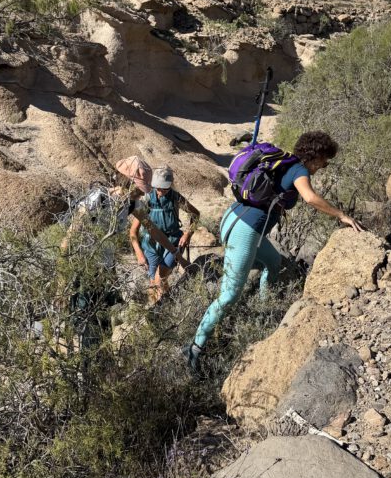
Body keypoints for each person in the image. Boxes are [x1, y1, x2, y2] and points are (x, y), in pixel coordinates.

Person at [182, 131, 362, 370]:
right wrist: (341, 215)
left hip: (234, 217)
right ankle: (194, 348)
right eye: (324, 162)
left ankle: (263, 310)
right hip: (246, 230)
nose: (324, 166)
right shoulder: (299, 169)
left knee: (273, 262)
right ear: (315, 157)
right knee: (229, 295)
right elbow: (309, 197)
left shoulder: (283, 160)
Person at [60, 156, 152, 347]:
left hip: (106, 270)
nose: (141, 194)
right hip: (86, 267)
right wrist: (62, 277)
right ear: (128, 182)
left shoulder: (132, 205)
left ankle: (98, 359)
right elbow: (70, 236)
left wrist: (173, 250)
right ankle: (87, 366)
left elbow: (152, 229)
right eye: (138, 189)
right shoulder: (99, 198)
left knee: (104, 318)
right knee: (88, 320)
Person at [128, 165, 200, 301]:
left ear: (170, 185)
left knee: (160, 278)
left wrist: (187, 234)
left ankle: (161, 308)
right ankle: (164, 305)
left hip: (174, 241)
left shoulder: (176, 198)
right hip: (151, 245)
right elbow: (133, 231)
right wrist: (139, 253)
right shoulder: (147, 199)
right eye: (158, 187)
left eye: (164, 188)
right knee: (153, 283)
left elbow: (195, 214)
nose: (160, 191)